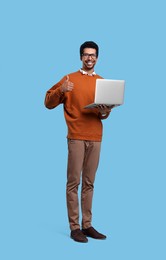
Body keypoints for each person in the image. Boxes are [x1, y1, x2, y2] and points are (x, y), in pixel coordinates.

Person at [44, 41, 113, 243]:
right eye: (86, 55)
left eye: (93, 55)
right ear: (81, 57)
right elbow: (48, 103)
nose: (89, 58)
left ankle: (88, 225)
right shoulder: (69, 79)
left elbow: (103, 115)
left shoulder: (102, 82)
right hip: (76, 136)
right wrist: (61, 91)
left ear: (97, 58)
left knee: (90, 183)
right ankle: (75, 227)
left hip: (96, 137)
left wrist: (105, 110)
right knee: (74, 182)